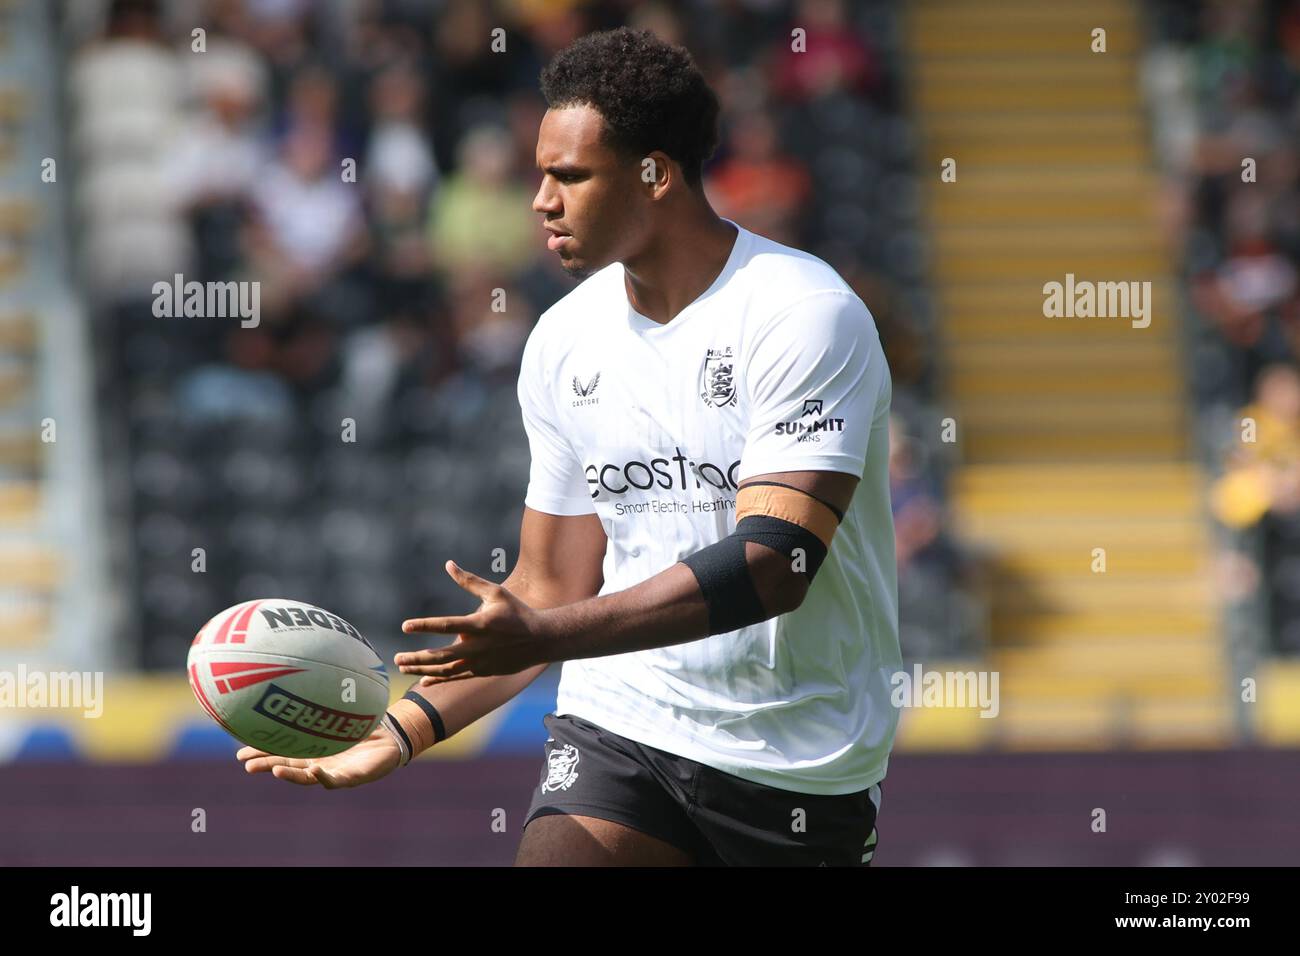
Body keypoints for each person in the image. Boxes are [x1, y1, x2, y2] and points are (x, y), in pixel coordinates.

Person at [238, 26, 901, 868]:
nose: (540, 200)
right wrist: (396, 734)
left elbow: (779, 563)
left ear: (656, 175)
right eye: (539, 173)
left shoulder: (803, 312)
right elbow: (548, 587)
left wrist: (551, 633)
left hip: (803, 761)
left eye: (570, 176)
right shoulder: (564, 340)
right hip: (623, 725)